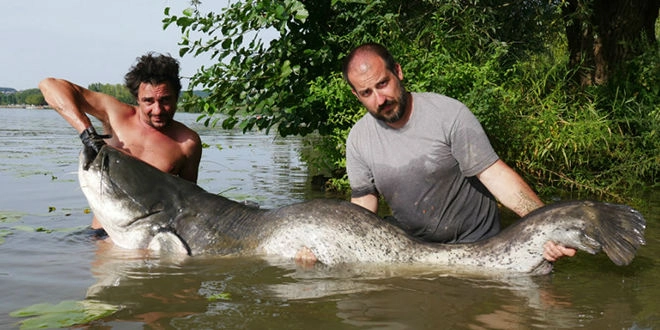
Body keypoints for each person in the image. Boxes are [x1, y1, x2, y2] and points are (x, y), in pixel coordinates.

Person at [342, 43, 575, 262]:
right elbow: (363, 204)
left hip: (479, 246)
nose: (380, 99)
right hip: (414, 250)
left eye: (382, 84)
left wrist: (548, 226)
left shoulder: (448, 114)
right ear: (356, 95)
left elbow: (495, 175)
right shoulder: (358, 140)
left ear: (398, 72)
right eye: (367, 93)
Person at [39, 52, 202, 231]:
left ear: (177, 96)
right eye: (148, 101)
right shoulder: (115, 114)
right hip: (102, 234)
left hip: (150, 240)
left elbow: (190, 205)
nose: (157, 110)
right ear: (137, 99)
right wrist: (87, 133)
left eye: (165, 100)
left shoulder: (187, 143)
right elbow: (49, 86)